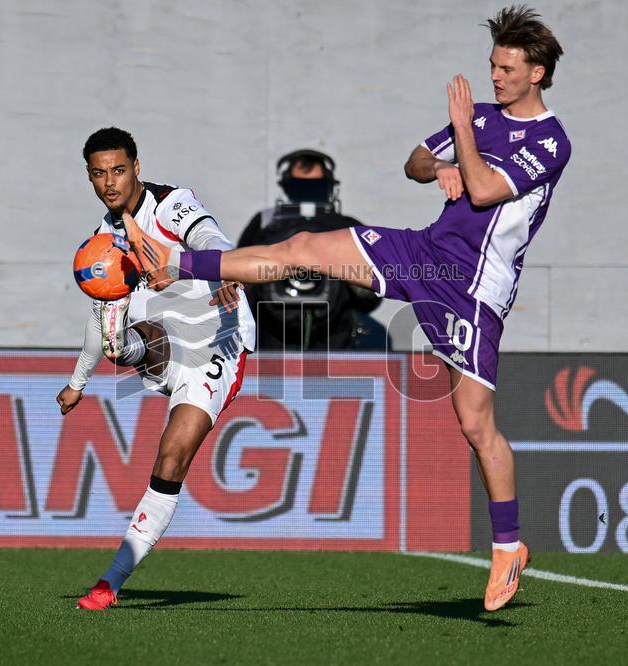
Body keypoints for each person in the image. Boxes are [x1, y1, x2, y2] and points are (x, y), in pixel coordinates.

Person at [131, 6, 569, 611]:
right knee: (304, 249)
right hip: (424, 252)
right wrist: (439, 162)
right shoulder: (482, 117)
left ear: (537, 73)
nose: (495, 76)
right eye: (492, 65)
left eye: (507, 68)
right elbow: (415, 163)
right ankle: (175, 263)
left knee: (474, 423)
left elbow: (488, 188)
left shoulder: (550, 141)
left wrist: (463, 134)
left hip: (471, 287)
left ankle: (507, 547)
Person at [56, 127, 256, 611]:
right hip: (163, 338)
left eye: (119, 170)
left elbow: (210, 237)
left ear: (137, 168)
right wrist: (77, 382)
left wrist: (221, 271)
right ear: (89, 177)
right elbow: (94, 311)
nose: (110, 182)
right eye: (100, 173)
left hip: (218, 341)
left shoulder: (170, 203)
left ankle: (111, 582)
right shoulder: (105, 239)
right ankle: (120, 341)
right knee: (113, 313)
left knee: (171, 460)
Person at [238, 149, 387, 350]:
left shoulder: (348, 228)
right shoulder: (264, 223)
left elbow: (371, 296)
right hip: (271, 341)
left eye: (315, 186)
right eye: (301, 186)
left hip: (333, 340)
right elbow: (239, 282)